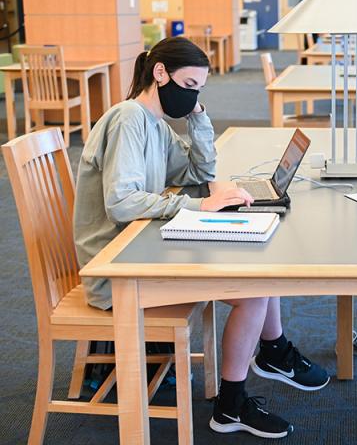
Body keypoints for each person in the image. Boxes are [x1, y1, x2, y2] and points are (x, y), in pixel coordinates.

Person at [73, 37, 329, 439]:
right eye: (189, 85)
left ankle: (273, 354)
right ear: (160, 73)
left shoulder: (154, 123)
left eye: (200, 89)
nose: (192, 95)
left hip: (143, 248)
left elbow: (197, 172)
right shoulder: (129, 119)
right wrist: (197, 208)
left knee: (259, 261)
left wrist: (197, 115)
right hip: (117, 269)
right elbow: (121, 203)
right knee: (255, 290)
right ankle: (233, 403)